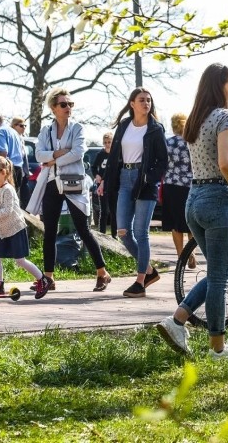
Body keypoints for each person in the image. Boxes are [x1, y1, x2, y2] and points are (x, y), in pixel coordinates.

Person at [155, 62, 228, 360]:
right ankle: (218, 348)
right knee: (221, 278)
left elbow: (210, 159)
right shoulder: (224, 116)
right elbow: (224, 163)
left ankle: (177, 321)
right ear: (218, 86)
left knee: (219, 272)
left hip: (193, 201)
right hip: (218, 201)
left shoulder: (197, 119)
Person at [26, 87, 111, 293]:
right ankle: (48, 277)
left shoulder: (77, 128)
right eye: (63, 104)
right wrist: (59, 153)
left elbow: (78, 153)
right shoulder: (46, 131)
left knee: (83, 229)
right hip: (51, 183)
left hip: (73, 183)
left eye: (70, 104)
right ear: (53, 108)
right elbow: (39, 155)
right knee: (49, 231)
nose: (68, 108)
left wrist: (53, 159)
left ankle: (102, 273)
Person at [101, 86, 168, 298]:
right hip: (125, 178)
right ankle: (149, 271)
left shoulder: (156, 129)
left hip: (145, 181)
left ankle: (140, 281)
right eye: (141, 100)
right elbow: (114, 157)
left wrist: (149, 177)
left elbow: (163, 161)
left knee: (141, 232)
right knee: (122, 231)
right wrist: (106, 179)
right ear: (132, 104)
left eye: (148, 100)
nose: (146, 103)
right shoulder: (124, 126)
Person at [0, 156, 50, 299]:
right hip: (2, 230)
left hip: (15, 229)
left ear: (4, 172)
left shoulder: (8, 190)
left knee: (20, 260)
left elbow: (8, 211)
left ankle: (42, 279)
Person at [162, 113, 195, 268]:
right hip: (189, 185)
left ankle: (181, 255)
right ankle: (192, 251)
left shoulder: (167, 143)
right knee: (190, 221)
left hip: (171, 185)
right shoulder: (192, 143)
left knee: (176, 223)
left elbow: (162, 164)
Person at [0, 113, 27, 200]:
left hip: (8, 168)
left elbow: (3, 152)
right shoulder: (15, 133)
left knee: (5, 200)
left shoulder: (0, 131)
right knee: (14, 199)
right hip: (19, 168)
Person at [91, 132, 114, 236]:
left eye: (109, 142)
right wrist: (96, 175)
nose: (107, 144)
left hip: (113, 184)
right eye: (105, 142)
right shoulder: (100, 154)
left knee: (114, 211)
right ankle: (102, 234)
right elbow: (94, 167)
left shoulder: (115, 153)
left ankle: (114, 234)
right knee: (103, 211)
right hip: (102, 185)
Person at [10, 117, 31, 206]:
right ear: (14, 126)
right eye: (21, 125)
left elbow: (24, 157)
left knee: (26, 198)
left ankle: (26, 218)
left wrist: (27, 171)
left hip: (23, 173)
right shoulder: (10, 137)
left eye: (25, 126)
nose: (24, 128)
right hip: (14, 171)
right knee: (15, 197)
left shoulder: (22, 138)